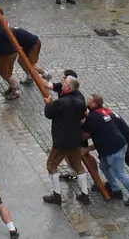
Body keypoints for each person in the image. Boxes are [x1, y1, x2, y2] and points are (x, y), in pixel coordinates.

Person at [42, 74, 93, 205]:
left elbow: (49, 114)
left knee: (51, 165)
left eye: (64, 83)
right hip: (75, 138)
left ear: (68, 88)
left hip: (61, 140)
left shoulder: (61, 102)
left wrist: (49, 104)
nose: (62, 84)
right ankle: (84, 194)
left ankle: (56, 195)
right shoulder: (81, 100)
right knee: (77, 165)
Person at [84, 93, 129, 206]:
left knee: (120, 173)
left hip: (114, 148)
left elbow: (86, 131)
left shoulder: (93, 117)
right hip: (116, 145)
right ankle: (116, 190)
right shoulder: (103, 111)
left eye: (89, 100)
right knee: (104, 166)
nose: (87, 100)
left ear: (94, 104)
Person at [0, 18, 41, 99]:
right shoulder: (3, 27)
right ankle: (25, 80)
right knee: (19, 61)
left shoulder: (3, 30)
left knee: (32, 65)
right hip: (23, 47)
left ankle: (45, 75)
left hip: (33, 45)